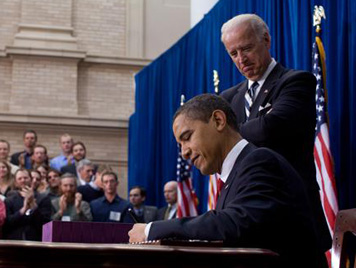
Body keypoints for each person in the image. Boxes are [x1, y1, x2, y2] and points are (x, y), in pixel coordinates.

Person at [128, 94, 328, 268]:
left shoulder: (261, 161)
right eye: (180, 144)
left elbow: (235, 225)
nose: (184, 152)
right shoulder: (236, 174)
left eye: (187, 137)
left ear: (218, 120)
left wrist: (151, 230)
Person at [219, 14, 330, 251]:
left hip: (292, 223)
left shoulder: (296, 82)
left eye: (247, 48)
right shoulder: (227, 99)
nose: (241, 59)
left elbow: (270, 128)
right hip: (243, 222)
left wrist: (227, 135)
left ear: (266, 40)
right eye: (233, 53)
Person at [4, 169, 51, 241]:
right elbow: (7, 224)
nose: (23, 180)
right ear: (16, 182)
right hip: (14, 242)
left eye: (25, 178)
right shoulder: (9, 200)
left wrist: (34, 207)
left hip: (37, 242)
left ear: (31, 180)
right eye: (20, 178)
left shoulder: (43, 198)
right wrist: (23, 210)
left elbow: (46, 224)